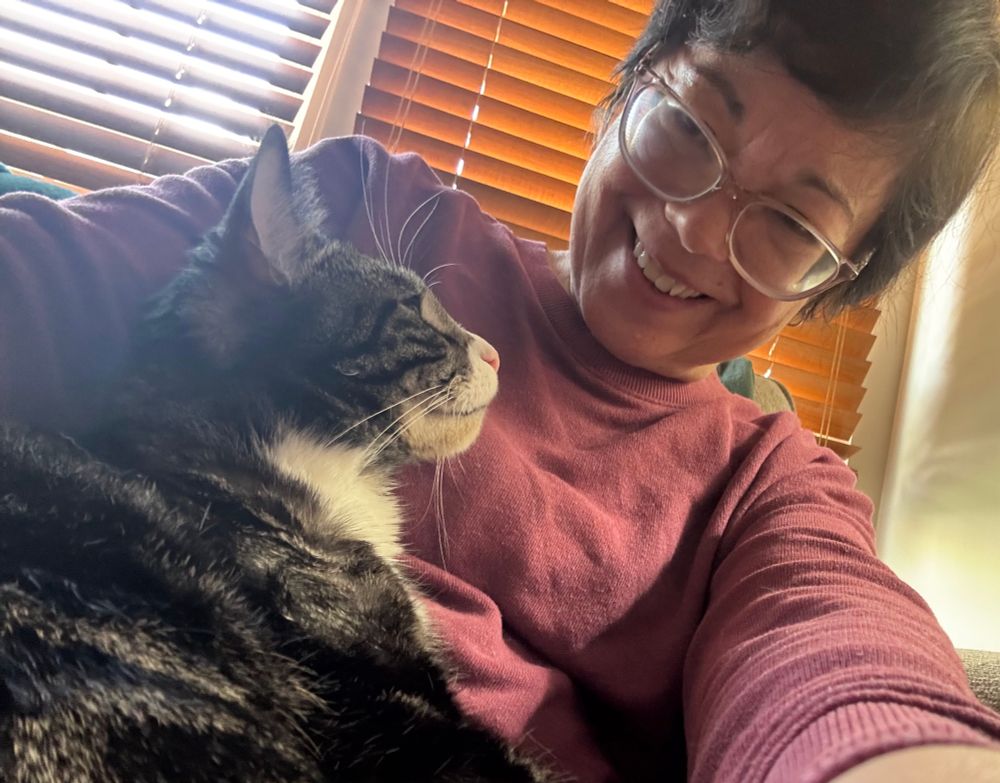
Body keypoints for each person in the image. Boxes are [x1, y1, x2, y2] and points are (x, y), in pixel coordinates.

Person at [2, 0, 1000, 780]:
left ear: (835, 283)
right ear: (624, 89)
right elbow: (39, 287)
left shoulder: (770, 483)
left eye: (791, 225)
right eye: (690, 128)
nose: (693, 229)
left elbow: (838, 667)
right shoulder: (370, 212)